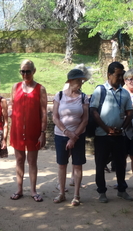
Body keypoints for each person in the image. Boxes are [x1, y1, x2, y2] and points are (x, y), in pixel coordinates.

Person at [90, 61, 133, 203]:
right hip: (102, 135)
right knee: (100, 163)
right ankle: (101, 192)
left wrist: (121, 129)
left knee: (120, 164)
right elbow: (94, 112)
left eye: (122, 75)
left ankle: (122, 190)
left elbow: (129, 113)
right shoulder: (100, 90)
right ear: (109, 74)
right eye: (118, 75)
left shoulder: (125, 93)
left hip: (119, 136)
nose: (121, 79)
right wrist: (106, 129)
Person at [10, 59, 48, 202]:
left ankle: (33, 190)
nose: (25, 74)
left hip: (34, 130)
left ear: (34, 71)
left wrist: (43, 133)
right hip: (18, 130)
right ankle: (19, 189)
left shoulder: (40, 89)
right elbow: (12, 107)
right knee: (19, 160)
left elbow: (43, 113)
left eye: (28, 71)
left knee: (32, 161)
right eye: (22, 71)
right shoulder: (15, 87)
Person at [52, 68, 89, 206]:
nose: (81, 83)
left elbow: (85, 120)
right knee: (62, 164)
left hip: (78, 136)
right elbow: (55, 117)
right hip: (61, 135)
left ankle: (76, 195)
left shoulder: (84, 97)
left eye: (82, 80)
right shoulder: (59, 96)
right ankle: (61, 193)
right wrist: (67, 133)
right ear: (71, 81)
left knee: (77, 164)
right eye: (79, 80)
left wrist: (74, 137)